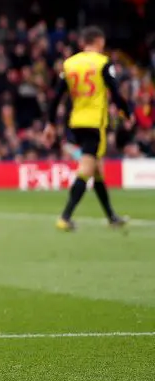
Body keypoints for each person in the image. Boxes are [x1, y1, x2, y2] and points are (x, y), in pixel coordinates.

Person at [43, 26, 133, 231]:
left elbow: (56, 98)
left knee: (97, 170)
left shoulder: (69, 64)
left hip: (76, 122)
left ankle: (111, 217)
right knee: (86, 168)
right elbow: (116, 93)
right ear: (99, 41)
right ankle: (65, 217)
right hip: (95, 123)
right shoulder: (103, 63)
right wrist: (127, 113)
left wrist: (50, 123)